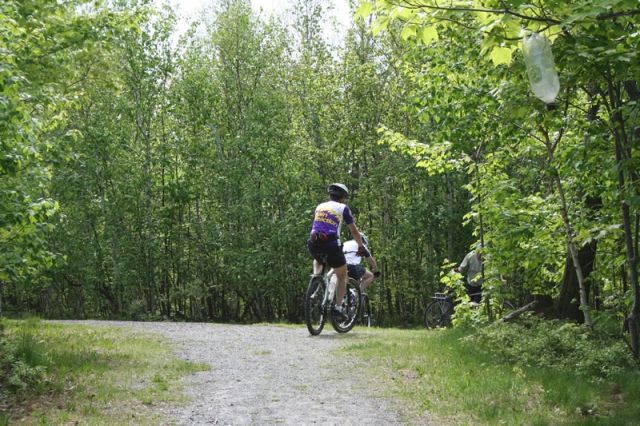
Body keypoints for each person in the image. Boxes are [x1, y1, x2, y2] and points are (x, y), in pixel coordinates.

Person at [307, 183, 366, 320]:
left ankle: (317, 279)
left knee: (318, 259)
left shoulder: (320, 206)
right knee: (342, 275)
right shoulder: (343, 208)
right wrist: (360, 246)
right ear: (343, 197)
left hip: (313, 242)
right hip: (331, 243)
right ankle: (338, 308)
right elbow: (354, 230)